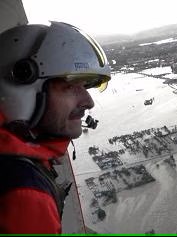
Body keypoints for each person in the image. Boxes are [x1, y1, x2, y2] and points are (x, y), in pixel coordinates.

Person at [0, 22, 111, 233]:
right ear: (23, 92)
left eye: (85, 87)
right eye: (69, 87)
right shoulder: (25, 194)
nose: (89, 102)